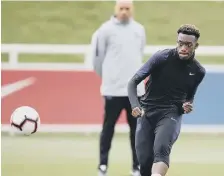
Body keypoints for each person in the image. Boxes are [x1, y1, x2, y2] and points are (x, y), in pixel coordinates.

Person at [128, 24, 206, 176]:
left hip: (171, 113)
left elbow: (189, 97)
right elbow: (133, 82)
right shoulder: (161, 58)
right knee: (144, 162)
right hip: (147, 112)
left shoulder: (198, 71)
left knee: (161, 149)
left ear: (196, 46)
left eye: (188, 45)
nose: (183, 47)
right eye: (180, 43)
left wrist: (187, 105)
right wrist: (135, 105)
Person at [91, 0, 146, 175]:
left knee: (137, 132)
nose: (124, 12)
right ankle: (103, 165)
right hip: (113, 90)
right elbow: (97, 60)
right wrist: (109, 78)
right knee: (108, 128)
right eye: (121, 8)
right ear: (116, 9)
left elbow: (140, 53)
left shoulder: (139, 30)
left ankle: (137, 167)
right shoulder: (105, 30)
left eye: (127, 8)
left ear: (132, 10)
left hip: (135, 93)